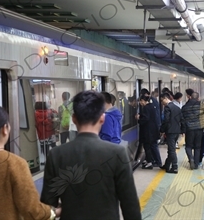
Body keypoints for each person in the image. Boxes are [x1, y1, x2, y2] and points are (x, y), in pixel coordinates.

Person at [41, 91, 142, 220]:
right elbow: (130, 204)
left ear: (73, 118)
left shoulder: (56, 154)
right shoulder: (117, 153)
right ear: (102, 118)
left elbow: (47, 205)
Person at [159, 93, 185, 174]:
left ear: (165, 98)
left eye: (162, 100)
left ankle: (174, 167)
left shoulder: (167, 107)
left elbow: (166, 120)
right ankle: (167, 165)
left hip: (170, 132)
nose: (161, 103)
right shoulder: (177, 108)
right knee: (171, 149)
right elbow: (182, 120)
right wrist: (183, 130)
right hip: (177, 131)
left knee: (171, 150)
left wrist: (162, 130)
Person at [136, 95, 161, 169]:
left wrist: (138, 119)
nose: (140, 103)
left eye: (140, 101)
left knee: (148, 146)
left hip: (148, 131)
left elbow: (146, 118)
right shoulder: (152, 106)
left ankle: (150, 162)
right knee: (153, 146)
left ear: (143, 100)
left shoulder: (146, 108)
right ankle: (156, 161)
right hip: (153, 130)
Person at [181, 92, 203, 170]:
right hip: (199, 128)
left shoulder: (184, 107)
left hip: (189, 129)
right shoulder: (201, 106)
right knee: (198, 147)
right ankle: (196, 164)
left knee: (188, 146)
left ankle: (191, 159)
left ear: (190, 97)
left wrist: (183, 130)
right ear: (198, 98)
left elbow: (182, 119)